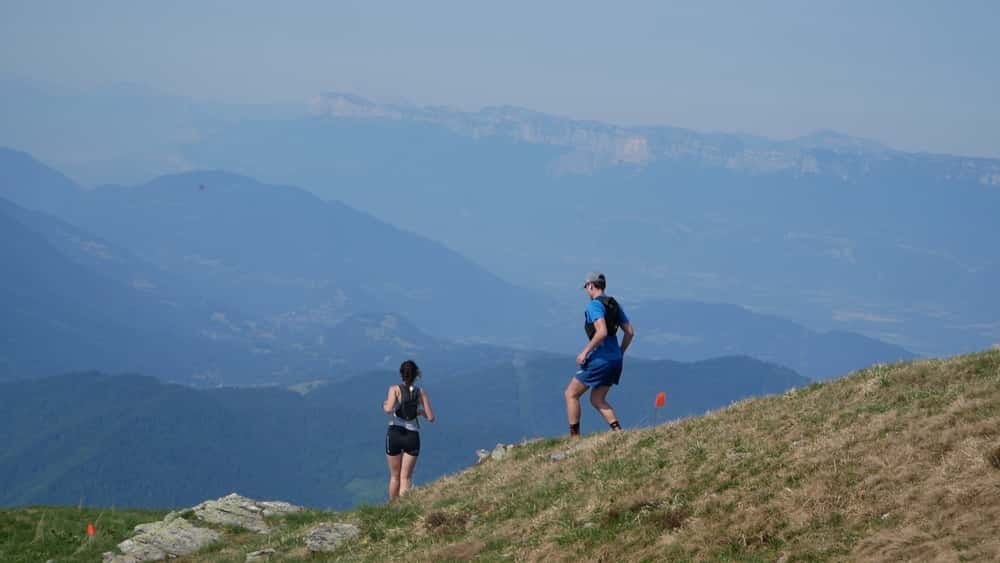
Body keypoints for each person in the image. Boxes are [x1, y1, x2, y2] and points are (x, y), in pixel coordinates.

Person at [564, 272, 635, 436]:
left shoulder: (594, 306)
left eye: (586, 288)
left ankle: (574, 438)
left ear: (590, 285)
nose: (586, 291)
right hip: (615, 360)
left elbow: (602, 332)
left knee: (570, 394)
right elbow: (630, 332)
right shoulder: (613, 304)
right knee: (597, 399)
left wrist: (584, 352)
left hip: (600, 359)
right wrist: (620, 352)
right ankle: (619, 434)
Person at [383, 359, 435, 501]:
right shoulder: (421, 392)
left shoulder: (394, 389)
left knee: (394, 476)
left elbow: (388, 409)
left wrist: (385, 405)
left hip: (395, 433)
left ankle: (392, 508)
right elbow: (431, 418)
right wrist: (419, 412)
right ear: (416, 375)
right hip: (412, 436)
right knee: (405, 477)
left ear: (401, 374)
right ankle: (404, 509)